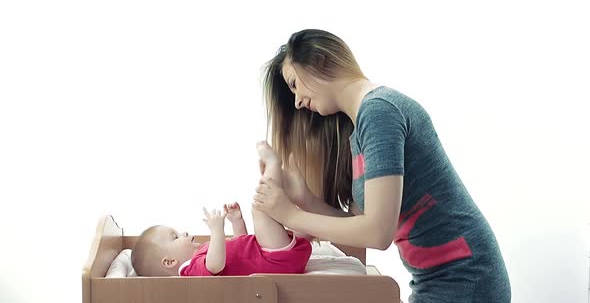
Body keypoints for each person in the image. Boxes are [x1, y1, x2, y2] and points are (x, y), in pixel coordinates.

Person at [252, 29, 511, 302]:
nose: (297, 101)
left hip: (465, 278)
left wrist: (290, 215)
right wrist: (306, 199)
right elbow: (361, 228)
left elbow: (377, 232)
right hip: (437, 279)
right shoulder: (362, 125)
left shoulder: (380, 112)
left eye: (294, 84)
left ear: (320, 61)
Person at [131, 200, 311, 276]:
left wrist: (237, 222)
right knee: (261, 206)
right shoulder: (191, 269)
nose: (184, 233)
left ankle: (315, 225)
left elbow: (242, 247)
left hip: (268, 252)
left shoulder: (203, 252)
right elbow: (216, 265)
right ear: (169, 261)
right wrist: (217, 231)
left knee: (295, 229)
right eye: (175, 236)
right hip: (273, 259)